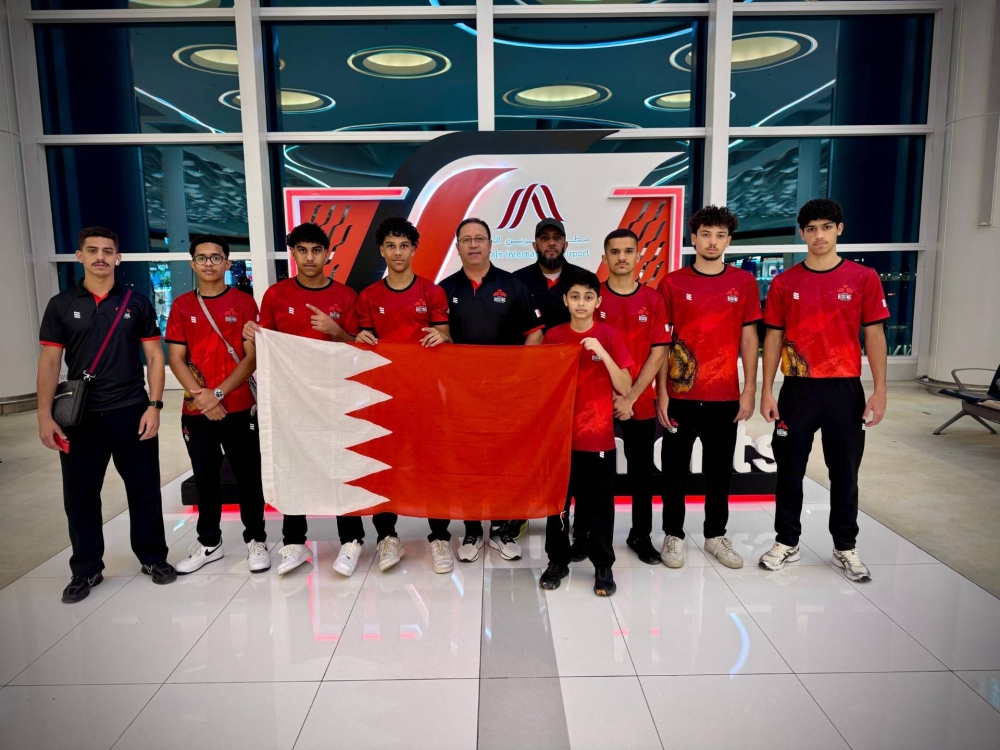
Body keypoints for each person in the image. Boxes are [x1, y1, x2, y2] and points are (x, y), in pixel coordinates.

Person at [37, 227, 176, 603]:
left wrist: (155, 406)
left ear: (118, 257)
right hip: (79, 417)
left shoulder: (137, 303)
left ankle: (153, 558)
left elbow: (155, 358)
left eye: (108, 250)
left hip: (132, 410)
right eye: (93, 250)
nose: (100, 256)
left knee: (144, 490)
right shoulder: (61, 304)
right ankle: (86, 569)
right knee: (80, 496)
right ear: (79, 256)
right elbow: (50, 363)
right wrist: (44, 416)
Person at [758, 199, 889, 582]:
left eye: (826, 227)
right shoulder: (785, 282)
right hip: (797, 389)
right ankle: (787, 541)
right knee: (789, 471)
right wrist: (767, 390)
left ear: (839, 229)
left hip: (844, 390)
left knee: (845, 472)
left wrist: (880, 390)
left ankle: (845, 546)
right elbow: (773, 338)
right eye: (812, 228)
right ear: (802, 233)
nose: (819, 235)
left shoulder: (863, 278)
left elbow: (874, 335)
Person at [243, 222, 363, 577]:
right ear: (293, 254)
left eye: (316, 251)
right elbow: (266, 347)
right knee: (292, 465)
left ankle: (352, 539)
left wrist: (336, 332)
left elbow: (359, 348)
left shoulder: (345, 296)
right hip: (291, 398)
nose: (310, 258)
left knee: (342, 465)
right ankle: (294, 541)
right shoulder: (276, 295)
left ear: (328, 255)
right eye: (302, 250)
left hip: (336, 396)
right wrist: (253, 335)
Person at [656, 206, 761, 569]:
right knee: (674, 472)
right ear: (693, 239)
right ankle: (673, 534)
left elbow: (749, 339)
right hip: (680, 396)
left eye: (719, 236)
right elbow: (662, 343)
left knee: (719, 472)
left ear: (728, 241)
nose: (712, 242)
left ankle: (715, 535)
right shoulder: (672, 283)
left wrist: (749, 389)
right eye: (705, 235)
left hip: (724, 396)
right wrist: (661, 392)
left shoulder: (743, 283)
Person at [439, 218, 544, 563]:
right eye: (466, 239)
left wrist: (519, 377)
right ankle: (471, 528)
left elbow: (535, 333)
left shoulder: (513, 285)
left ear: (490, 244)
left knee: (504, 460)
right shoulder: (444, 289)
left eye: (479, 238)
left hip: (505, 394)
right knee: (467, 461)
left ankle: (501, 529)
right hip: (462, 394)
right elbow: (440, 336)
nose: (473, 244)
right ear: (457, 247)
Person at [354, 216, 455, 575]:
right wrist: (360, 339)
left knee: (433, 466)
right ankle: (387, 537)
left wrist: (442, 337)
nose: (397, 252)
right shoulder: (368, 296)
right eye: (391, 246)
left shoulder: (432, 292)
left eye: (404, 246)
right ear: (382, 251)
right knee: (384, 467)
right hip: (382, 397)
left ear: (414, 249)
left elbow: (446, 338)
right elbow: (363, 343)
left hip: (426, 396)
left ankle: (439, 537)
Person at [165, 234, 269, 575]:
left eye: (215, 257)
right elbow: (176, 358)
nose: (209, 263)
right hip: (196, 410)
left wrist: (218, 394)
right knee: (205, 476)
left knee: (248, 476)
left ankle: (256, 539)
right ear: (192, 264)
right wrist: (203, 398)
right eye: (202, 257)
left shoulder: (244, 303)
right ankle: (209, 541)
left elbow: (251, 358)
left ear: (227, 262)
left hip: (239, 407)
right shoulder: (182, 305)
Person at [539, 269, 633, 596]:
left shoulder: (609, 335)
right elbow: (542, 384)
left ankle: (603, 565)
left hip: (598, 439)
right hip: (561, 440)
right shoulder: (553, 336)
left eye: (588, 297)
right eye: (575, 297)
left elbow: (625, 386)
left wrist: (602, 352)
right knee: (557, 506)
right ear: (565, 300)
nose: (581, 303)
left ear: (598, 302)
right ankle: (557, 561)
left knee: (599, 509)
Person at [591, 228, 669, 566]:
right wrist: (612, 395)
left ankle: (641, 535)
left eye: (627, 251)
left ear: (638, 256)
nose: (621, 257)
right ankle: (588, 534)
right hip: (597, 403)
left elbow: (658, 353)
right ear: (605, 257)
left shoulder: (653, 300)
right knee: (595, 475)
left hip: (640, 401)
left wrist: (632, 397)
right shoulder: (593, 297)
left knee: (642, 475)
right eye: (614, 251)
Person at [513, 218, 585, 333]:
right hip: (531, 344)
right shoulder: (517, 280)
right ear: (535, 246)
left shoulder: (583, 278)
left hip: (571, 344)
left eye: (557, 238)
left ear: (565, 245)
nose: (551, 243)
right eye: (545, 238)